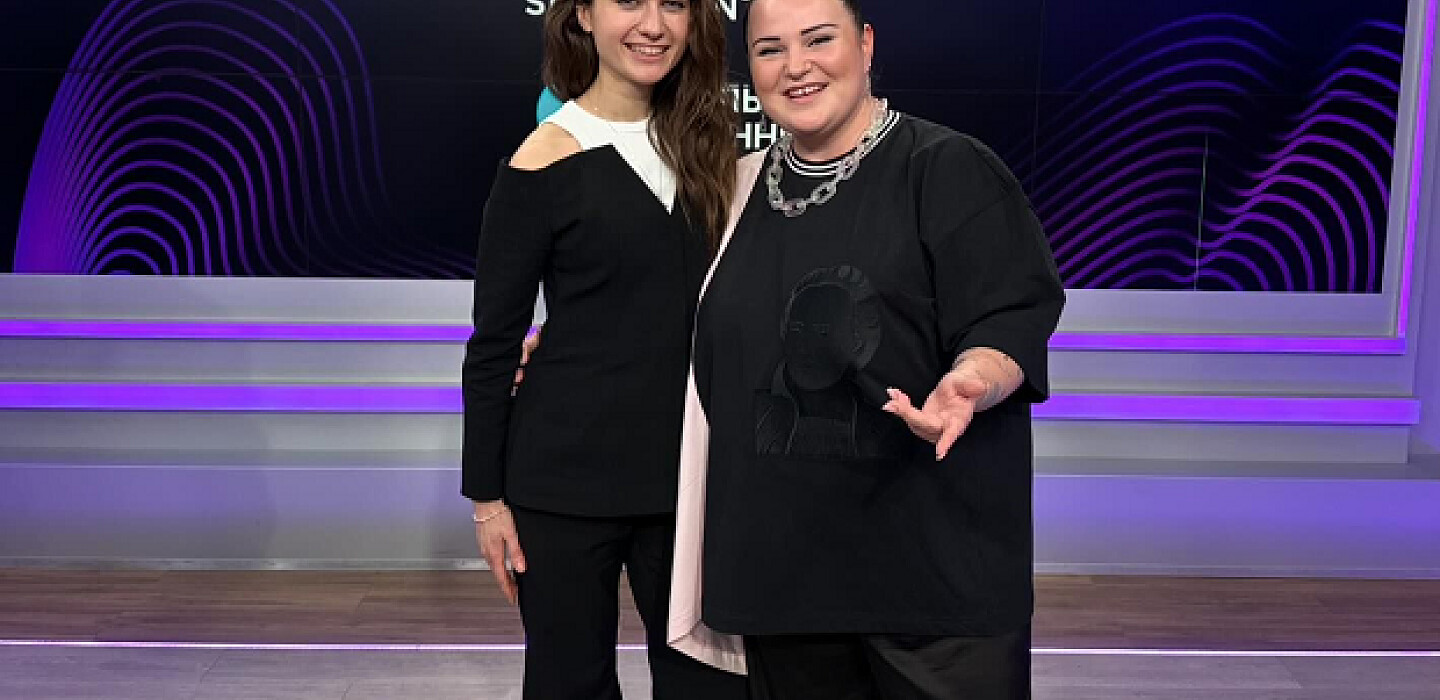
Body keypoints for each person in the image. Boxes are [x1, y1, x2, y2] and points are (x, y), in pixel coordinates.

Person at [668, 0, 1066, 697]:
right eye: (769, 49)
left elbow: (1008, 316)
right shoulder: (731, 190)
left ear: (866, 43)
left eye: (819, 40)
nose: (796, 66)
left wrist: (973, 380)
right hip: (782, 587)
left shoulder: (947, 168)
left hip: (932, 591)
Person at [460, 1, 747, 698]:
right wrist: (487, 501)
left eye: (673, 4)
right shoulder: (542, 157)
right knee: (570, 683)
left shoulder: (714, 147)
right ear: (584, 15)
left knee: (709, 685)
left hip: (689, 476)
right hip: (562, 483)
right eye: (629, 2)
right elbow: (494, 344)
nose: (653, 24)